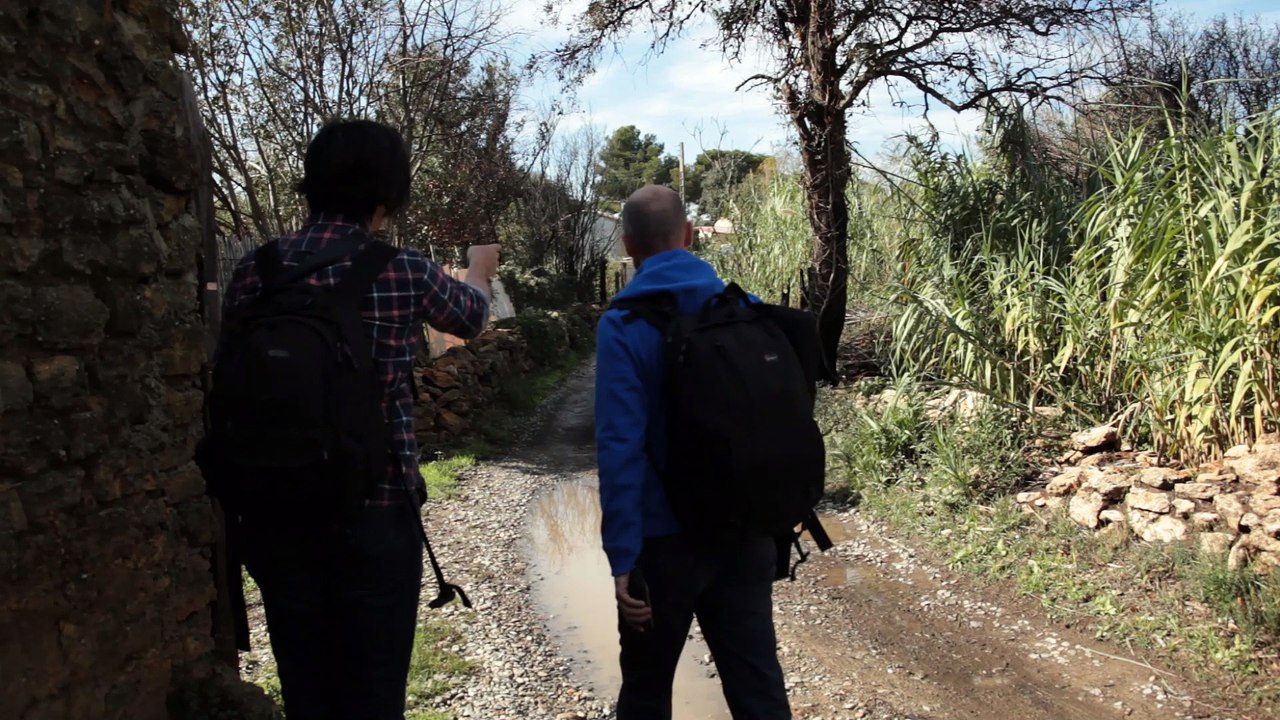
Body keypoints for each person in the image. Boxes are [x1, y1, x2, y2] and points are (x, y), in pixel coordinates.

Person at [215, 119, 499, 720]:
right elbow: (469, 319)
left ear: (310, 185)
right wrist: (478, 267)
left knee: (306, 684)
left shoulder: (255, 270)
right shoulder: (401, 270)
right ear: (388, 196)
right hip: (373, 508)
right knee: (372, 692)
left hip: (274, 508)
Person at [594, 184, 792, 719]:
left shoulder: (625, 324)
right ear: (687, 234)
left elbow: (619, 448)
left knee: (647, 686)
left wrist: (623, 555)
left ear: (629, 244)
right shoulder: (744, 309)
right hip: (744, 531)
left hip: (664, 544)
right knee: (757, 683)